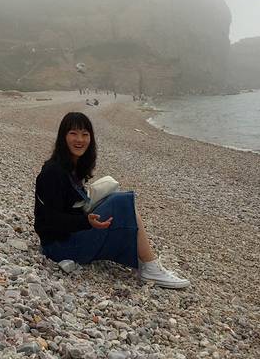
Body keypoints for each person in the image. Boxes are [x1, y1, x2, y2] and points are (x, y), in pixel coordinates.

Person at [34, 112, 190, 288]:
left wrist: (87, 216)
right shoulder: (53, 172)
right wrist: (85, 221)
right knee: (121, 201)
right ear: (63, 136)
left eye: (85, 134)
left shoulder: (72, 167)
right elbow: (50, 220)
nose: (80, 140)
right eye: (73, 133)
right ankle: (151, 267)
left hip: (65, 238)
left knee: (117, 199)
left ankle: (147, 262)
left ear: (91, 138)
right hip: (58, 248)